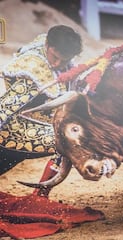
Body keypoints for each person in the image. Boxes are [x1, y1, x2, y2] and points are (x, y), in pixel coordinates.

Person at [0, 24, 82, 196]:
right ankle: (40, 197)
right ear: (47, 45)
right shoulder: (33, 68)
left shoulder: (58, 55)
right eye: (55, 57)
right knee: (67, 140)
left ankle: (41, 195)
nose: (57, 64)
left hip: (36, 126)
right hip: (13, 129)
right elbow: (6, 107)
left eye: (64, 60)